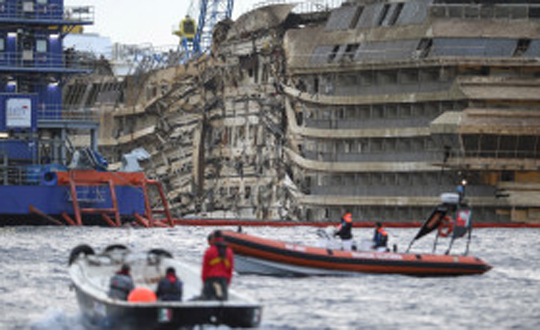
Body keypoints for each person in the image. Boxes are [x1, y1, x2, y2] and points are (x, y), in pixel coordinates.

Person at [201, 231, 234, 301]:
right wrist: (227, 282)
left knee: (207, 300)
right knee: (223, 301)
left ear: (213, 239)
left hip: (210, 279)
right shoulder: (229, 252)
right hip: (223, 280)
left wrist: (204, 282)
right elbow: (230, 269)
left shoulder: (209, 251)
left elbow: (205, 269)